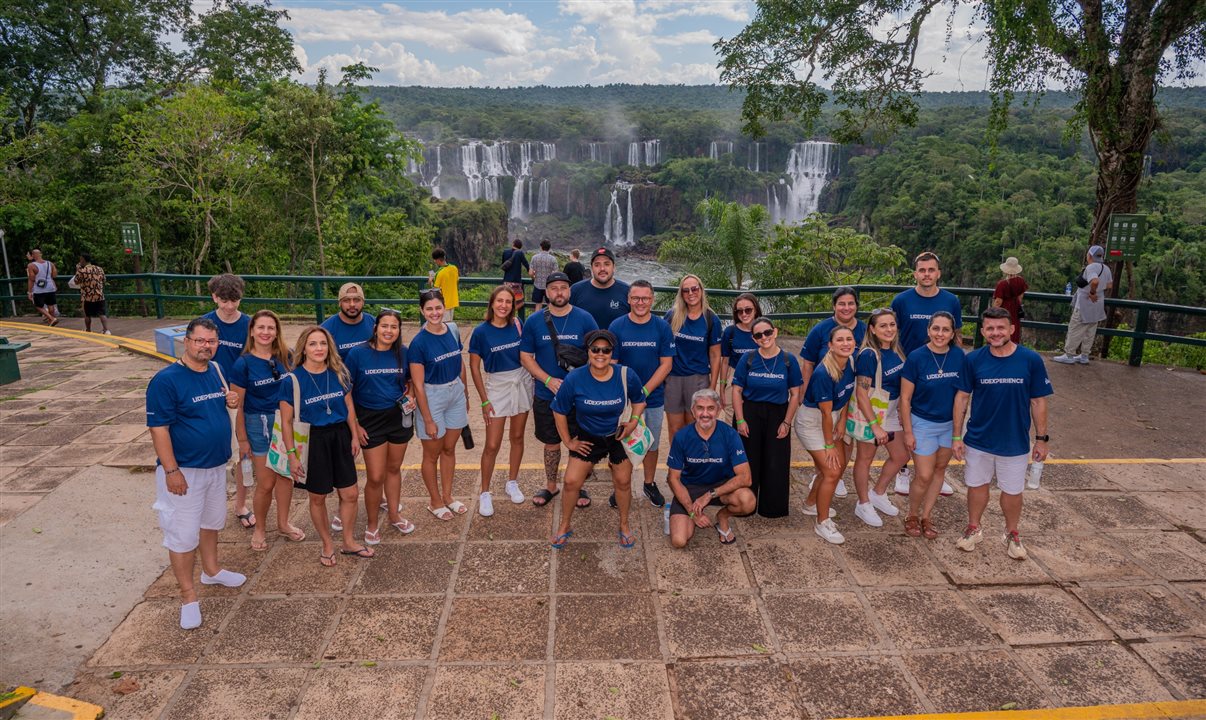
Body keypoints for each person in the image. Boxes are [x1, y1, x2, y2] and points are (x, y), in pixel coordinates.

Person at [146, 318, 247, 629]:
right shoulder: (166, 381)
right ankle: (188, 595)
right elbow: (158, 428)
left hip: (216, 466)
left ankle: (212, 571)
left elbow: (221, 404)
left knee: (210, 523)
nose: (207, 346)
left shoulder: (215, 371)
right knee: (182, 535)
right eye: (201, 341)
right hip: (185, 471)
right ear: (187, 342)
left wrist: (230, 399)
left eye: (212, 342)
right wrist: (171, 470)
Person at [953, 307, 1053, 560]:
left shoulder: (1030, 360)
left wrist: (1041, 439)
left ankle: (1012, 533)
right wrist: (956, 436)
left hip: (1015, 441)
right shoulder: (973, 360)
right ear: (983, 331)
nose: (995, 333)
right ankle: (974, 527)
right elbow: (962, 397)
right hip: (978, 438)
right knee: (976, 486)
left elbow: (1038, 401)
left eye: (1000, 328)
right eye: (990, 328)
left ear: (1011, 329)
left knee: (1012, 490)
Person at [280, 326, 372, 566]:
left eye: (323, 343)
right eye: (313, 344)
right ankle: (327, 544)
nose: (318, 348)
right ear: (304, 348)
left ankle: (349, 541)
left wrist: (354, 435)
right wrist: (292, 455)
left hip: (340, 435)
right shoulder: (293, 380)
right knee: (318, 497)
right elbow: (286, 422)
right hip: (313, 439)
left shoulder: (339, 372)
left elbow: (349, 406)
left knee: (350, 493)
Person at [549, 329, 646, 549]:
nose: (600, 354)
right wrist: (568, 441)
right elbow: (558, 410)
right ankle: (565, 525)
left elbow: (640, 401)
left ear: (612, 352)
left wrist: (633, 422)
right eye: (595, 349)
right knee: (571, 481)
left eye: (606, 350)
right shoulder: (575, 378)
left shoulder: (626, 374)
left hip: (618, 436)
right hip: (588, 437)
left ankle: (624, 524)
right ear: (588, 351)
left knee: (622, 481)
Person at [519, 272, 598, 508]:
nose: (559, 292)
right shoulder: (534, 321)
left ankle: (577, 484)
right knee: (551, 442)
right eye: (554, 288)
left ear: (570, 291)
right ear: (546, 292)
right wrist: (547, 380)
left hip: (580, 395)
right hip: (546, 394)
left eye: (564, 288)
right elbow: (525, 356)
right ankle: (551, 485)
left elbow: (599, 352)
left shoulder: (585, 318)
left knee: (580, 441)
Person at [890, 253, 962, 497]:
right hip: (908, 369)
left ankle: (934, 474)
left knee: (940, 416)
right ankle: (903, 470)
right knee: (903, 419)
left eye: (931, 270)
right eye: (922, 270)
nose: (927, 274)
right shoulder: (901, 300)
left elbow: (958, 335)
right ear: (915, 274)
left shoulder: (951, 300)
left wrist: (958, 361)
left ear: (939, 273)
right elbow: (891, 334)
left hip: (941, 370)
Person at [231, 310, 302, 551]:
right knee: (266, 482)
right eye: (260, 327)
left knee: (286, 476)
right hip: (257, 423)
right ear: (252, 330)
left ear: (277, 331)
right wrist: (242, 439)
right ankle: (260, 528)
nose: (265, 332)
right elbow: (238, 405)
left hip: (285, 423)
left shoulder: (287, 356)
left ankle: (283, 523)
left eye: (270, 328)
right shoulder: (243, 364)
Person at [345, 308, 417, 543]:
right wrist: (355, 424)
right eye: (384, 326)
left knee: (394, 470)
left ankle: (394, 514)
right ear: (375, 328)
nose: (389, 331)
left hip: (398, 418)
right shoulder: (357, 354)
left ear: (399, 330)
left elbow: (410, 380)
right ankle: (372, 523)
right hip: (369, 420)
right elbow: (347, 392)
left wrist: (412, 394)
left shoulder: (403, 353)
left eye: (394, 327)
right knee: (375, 476)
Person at [898, 311, 966, 540]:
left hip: (948, 425)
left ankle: (927, 516)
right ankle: (912, 514)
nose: (940, 333)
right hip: (922, 423)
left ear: (952, 332)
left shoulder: (959, 357)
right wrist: (908, 432)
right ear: (928, 330)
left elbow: (962, 397)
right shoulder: (916, 357)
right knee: (924, 475)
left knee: (939, 471)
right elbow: (905, 399)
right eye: (935, 328)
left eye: (945, 329)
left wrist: (958, 433)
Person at [609, 280, 675, 508]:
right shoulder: (616, 326)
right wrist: (630, 394)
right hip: (624, 399)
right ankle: (620, 485)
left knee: (652, 443)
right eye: (636, 298)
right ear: (628, 299)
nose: (640, 302)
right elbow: (612, 364)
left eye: (645, 298)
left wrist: (644, 391)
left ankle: (648, 482)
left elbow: (666, 364)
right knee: (620, 442)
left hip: (653, 397)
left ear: (652, 299)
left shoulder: (661, 327)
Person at [731, 317, 803, 518]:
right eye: (758, 335)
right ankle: (746, 504)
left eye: (767, 333)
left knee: (775, 462)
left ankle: (773, 508)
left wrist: (787, 422)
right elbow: (736, 390)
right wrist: (740, 419)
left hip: (778, 413)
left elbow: (795, 394)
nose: (764, 337)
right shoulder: (749, 358)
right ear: (754, 339)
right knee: (748, 460)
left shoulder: (789, 360)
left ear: (775, 332)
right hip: (751, 413)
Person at [799, 287, 867, 498]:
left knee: (845, 440)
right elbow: (808, 363)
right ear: (834, 306)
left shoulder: (864, 330)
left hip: (849, 396)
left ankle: (834, 476)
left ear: (856, 306)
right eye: (841, 303)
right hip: (822, 397)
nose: (846, 308)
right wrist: (803, 393)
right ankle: (825, 474)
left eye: (851, 303)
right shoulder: (821, 330)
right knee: (825, 443)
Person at [469, 286, 532, 515]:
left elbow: (526, 356)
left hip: (521, 382)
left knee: (517, 436)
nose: (504, 305)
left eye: (508, 302)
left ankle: (512, 481)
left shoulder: (517, 325)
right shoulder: (480, 332)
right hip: (497, 386)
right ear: (492, 304)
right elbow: (474, 368)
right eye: (500, 301)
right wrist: (484, 401)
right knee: (492, 444)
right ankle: (485, 492)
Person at [409, 289, 471, 520]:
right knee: (431, 453)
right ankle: (434, 502)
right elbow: (418, 384)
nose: (435, 313)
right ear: (422, 311)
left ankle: (448, 496)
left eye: (438, 308)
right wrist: (427, 419)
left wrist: (465, 393)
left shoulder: (453, 329)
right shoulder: (419, 343)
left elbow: (460, 362)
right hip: (432, 396)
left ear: (444, 307)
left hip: (454, 391)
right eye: (429, 309)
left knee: (449, 448)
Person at [666, 389, 756, 547]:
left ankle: (722, 516)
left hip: (720, 488)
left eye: (710, 408)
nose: (705, 414)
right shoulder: (681, 437)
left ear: (719, 409)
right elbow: (672, 478)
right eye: (700, 408)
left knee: (748, 501)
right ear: (693, 411)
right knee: (679, 541)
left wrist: (709, 495)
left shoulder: (730, 434)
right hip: (690, 489)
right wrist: (692, 512)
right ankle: (688, 513)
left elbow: (745, 477)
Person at [795, 326, 858, 544]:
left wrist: (843, 420)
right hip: (812, 422)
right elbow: (824, 413)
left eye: (849, 339)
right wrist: (829, 444)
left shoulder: (850, 362)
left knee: (836, 469)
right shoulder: (823, 373)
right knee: (831, 472)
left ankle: (811, 505)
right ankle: (822, 523)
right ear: (830, 346)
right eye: (839, 340)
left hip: (833, 417)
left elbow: (848, 394)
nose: (845, 343)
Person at [201, 273, 254, 530]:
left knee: (244, 452)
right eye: (224, 300)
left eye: (235, 300)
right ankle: (212, 503)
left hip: (242, 395)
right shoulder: (204, 325)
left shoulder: (250, 324)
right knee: (213, 451)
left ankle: (241, 504)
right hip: (211, 395)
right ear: (214, 297)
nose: (230, 306)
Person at [849, 308, 908, 527]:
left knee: (902, 455)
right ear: (872, 329)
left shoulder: (895, 350)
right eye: (883, 325)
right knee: (865, 458)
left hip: (892, 410)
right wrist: (874, 426)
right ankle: (863, 503)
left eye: (892, 324)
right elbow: (861, 393)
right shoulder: (868, 355)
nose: (889, 329)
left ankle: (878, 492)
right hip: (873, 411)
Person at [663, 274, 723, 446]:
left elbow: (715, 354)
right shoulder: (672, 316)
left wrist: (713, 387)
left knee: (694, 426)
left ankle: (692, 468)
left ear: (701, 290)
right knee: (675, 428)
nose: (691, 293)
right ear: (681, 294)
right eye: (686, 290)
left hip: (698, 379)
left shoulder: (711, 319)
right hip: (673, 378)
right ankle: (676, 468)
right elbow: (662, 346)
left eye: (695, 288)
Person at [1054, 245, 1114, 364]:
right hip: (1098, 304)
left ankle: (1069, 355)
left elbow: (1095, 281)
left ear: (1090, 255)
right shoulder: (1105, 268)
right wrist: (1098, 290)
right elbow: (1109, 285)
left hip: (1085, 304)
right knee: (1090, 331)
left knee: (1075, 328)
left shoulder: (1091, 267)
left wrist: (1092, 292)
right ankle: (1084, 355)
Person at [718, 293, 762, 412]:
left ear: (756, 310)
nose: (744, 314)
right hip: (734, 374)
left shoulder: (764, 331)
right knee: (730, 411)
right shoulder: (730, 332)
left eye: (748, 310)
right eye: (740, 311)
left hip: (758, 375)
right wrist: (722, 387)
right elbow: (725, 361)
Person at [571, 247, 630, 329]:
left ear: (614, 267)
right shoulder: (575, 290)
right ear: (591, 268)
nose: (602, 269)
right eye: (597, 265)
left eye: (607, 264)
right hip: (585, 342)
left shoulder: (627, 291)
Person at [321, 282, 376, 360]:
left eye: (357, 300)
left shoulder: (375, 324)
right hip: (340, 371)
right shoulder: (326, 329)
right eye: (346, 300)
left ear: (363, 302)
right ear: (340, 303)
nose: (352, 304)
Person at [992, 257, 1028, 345]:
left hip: (1004, 309)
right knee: (1013, 328)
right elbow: (1020, 297)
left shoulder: (1002, 284)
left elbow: (998, 301)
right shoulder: (1021, 281)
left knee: (1001, 328)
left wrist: (992, 312)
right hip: (1015, 308)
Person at [73, 254, 111, 334]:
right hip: (99, 295)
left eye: (80, 260)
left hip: (88, 296)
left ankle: (88, 329)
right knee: (102, 313)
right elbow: (104, 280)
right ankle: (106, 330)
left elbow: (76, 281)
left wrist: (78, 269)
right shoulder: (99, 269)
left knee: (87, 314)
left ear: (83, 260)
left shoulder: (82, 271)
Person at [26, 248, 59, 325]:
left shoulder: (31, 265)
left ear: (33, 256)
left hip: (39, 288)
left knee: (38, 305)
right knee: (51, 305)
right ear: (41, 254)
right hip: (50, 287)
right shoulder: (50, 263)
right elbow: (54, 275)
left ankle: (52, 318)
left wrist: (29, 292)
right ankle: (51, 321)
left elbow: (31, 279)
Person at [429, 248, 460, 322]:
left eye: (435, 260)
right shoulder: (454, 268)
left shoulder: (439, 273)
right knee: (450, 324)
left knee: (444, 326)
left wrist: (430, 281)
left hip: (443, 303)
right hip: (453, 301)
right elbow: (456, 280)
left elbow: (435, 290)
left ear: (438, 260)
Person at [528, 240, 559, 312]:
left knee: (538, 305)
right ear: (549, 248)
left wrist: (534, 278)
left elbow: (530, 273)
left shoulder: (534, 258)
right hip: (548, 286)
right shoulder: (553, 259)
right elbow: (555, 274)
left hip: (537, 284)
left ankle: (537, 321)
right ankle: (550, 321)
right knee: (550, 305)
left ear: (541, 247)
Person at [501, 240, 529, 307]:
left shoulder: (505, 252)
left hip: (507, 281)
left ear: (513, 244)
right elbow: (526, 265)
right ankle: (515, 316)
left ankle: (508, 316)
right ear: (520, 247)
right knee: (519, 303)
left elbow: (504, 265)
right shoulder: (520, 253)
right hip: (516, 282)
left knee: (507, 301)